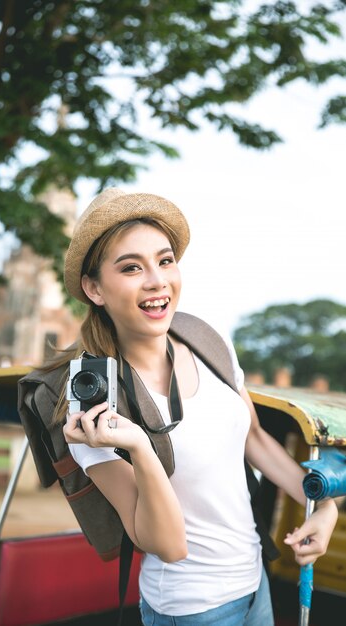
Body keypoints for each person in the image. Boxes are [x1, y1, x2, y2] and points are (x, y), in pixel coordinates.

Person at [59, 187, 338, 626]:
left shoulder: (208, 342)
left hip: (254, 583)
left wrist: (323, 505)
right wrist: (138, 446)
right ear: (94, 288)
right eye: (131, 267)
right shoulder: (93, 407)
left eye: (165, 260)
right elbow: (167, 546)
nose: (157, 281)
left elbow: (255, 438)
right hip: (190, 609)